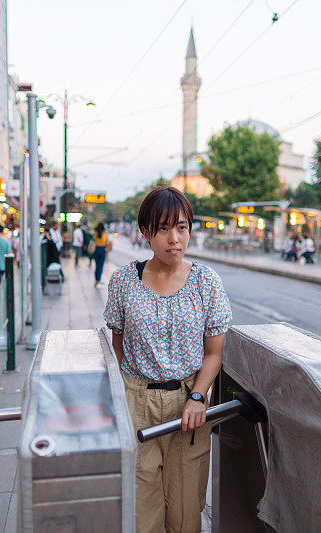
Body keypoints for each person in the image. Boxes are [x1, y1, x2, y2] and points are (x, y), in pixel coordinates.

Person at [104, 186, 231, 532]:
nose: (174, 239)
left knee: (187, 512)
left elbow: (214, 353)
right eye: (163, 229)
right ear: (145, 232)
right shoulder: (123, 281)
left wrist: (197, 397)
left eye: (182, 227)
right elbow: (117, 345)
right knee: (141, 510)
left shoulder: (207, 282)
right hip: (136, 402)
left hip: (188, 407)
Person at [92, 222, 109, 288]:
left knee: (97, 266)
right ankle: (98, 281)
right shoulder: (105, 233)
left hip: (96, 249)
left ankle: (96, 281)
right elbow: (106, 241)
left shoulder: (95, 233)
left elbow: (93, 240)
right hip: (102, 250)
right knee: (100, 266)